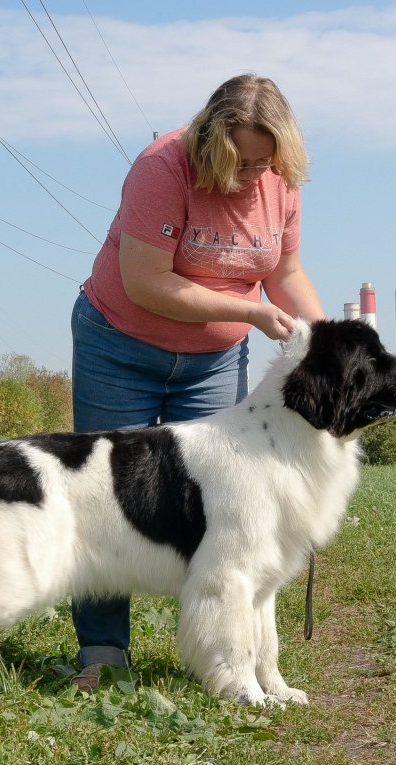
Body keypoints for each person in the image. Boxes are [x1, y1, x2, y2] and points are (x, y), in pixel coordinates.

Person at [69, 73, 326, 691]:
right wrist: (249, 312)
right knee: (105, 499)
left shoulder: (279, 180)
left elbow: (285, 271)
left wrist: (326, 347)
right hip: (119, 345)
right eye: (240, 162)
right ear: (211, 138)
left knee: (235, 519)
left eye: (263, 164)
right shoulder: (163, 167)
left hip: (212, 364)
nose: (250, 177)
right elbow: (145, 282)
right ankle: (103, 655)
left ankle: (227, 660)